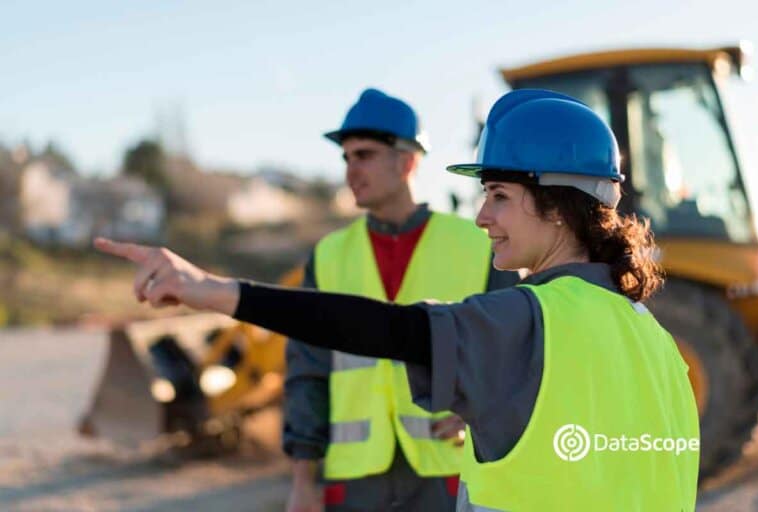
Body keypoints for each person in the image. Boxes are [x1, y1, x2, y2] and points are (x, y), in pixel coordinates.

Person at [95, 89, 700, 511]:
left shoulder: (526, 319)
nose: (483, 216)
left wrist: (211, 291)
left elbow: (379, 329)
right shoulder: (657, 343)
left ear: (560, 204)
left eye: (499, 195)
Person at [284, 88, 519, 512]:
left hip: (448, 471)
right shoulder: (329, 256)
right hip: (354, 480)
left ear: (407, 161)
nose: (351, 170)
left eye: (365, 156)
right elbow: (308, 369)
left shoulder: (478, 244)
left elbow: (514, 351)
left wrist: (481, 412)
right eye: (347, 158)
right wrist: (303, 481)